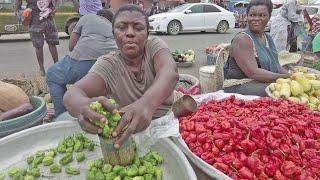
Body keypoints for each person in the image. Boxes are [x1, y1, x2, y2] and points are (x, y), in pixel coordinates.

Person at [63, 5, 178, 148]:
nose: (130, 33)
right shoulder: (108, 64)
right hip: (131, 131)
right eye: (122, 27)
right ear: (113, 34)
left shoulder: (153, 46)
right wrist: (84, 107)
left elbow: (169, 71)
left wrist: (146, 104)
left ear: (147, 34)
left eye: (138, 28)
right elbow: (72, 94)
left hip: (169, 122)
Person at [46, 9, 117, 118]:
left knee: (52, 74)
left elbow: (71, 46)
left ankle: (63, 116)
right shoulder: (114, 27)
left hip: (85, 61)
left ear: (97, 15)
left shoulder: (88, 17)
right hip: (111, 65)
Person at [223, 0, 290, 96]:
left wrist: (293, 76)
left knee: (291, 87)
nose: (256, 19)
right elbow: (253, 72)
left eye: (262, 15)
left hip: (258, 81)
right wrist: (286, 77)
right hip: (239, 85)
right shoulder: (243, 39)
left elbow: (276, 66)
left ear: (269, 17)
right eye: (252, 15)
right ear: (247, 16)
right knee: (278, 92)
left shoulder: (268, 38)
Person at [15, 0, 59, 76]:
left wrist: (55, 8)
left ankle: (57, 66)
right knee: (38, 46)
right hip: (33, 19)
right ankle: (41, 68)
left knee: (52, 43)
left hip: (48, 17)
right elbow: (18, 4)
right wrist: (21, 14)